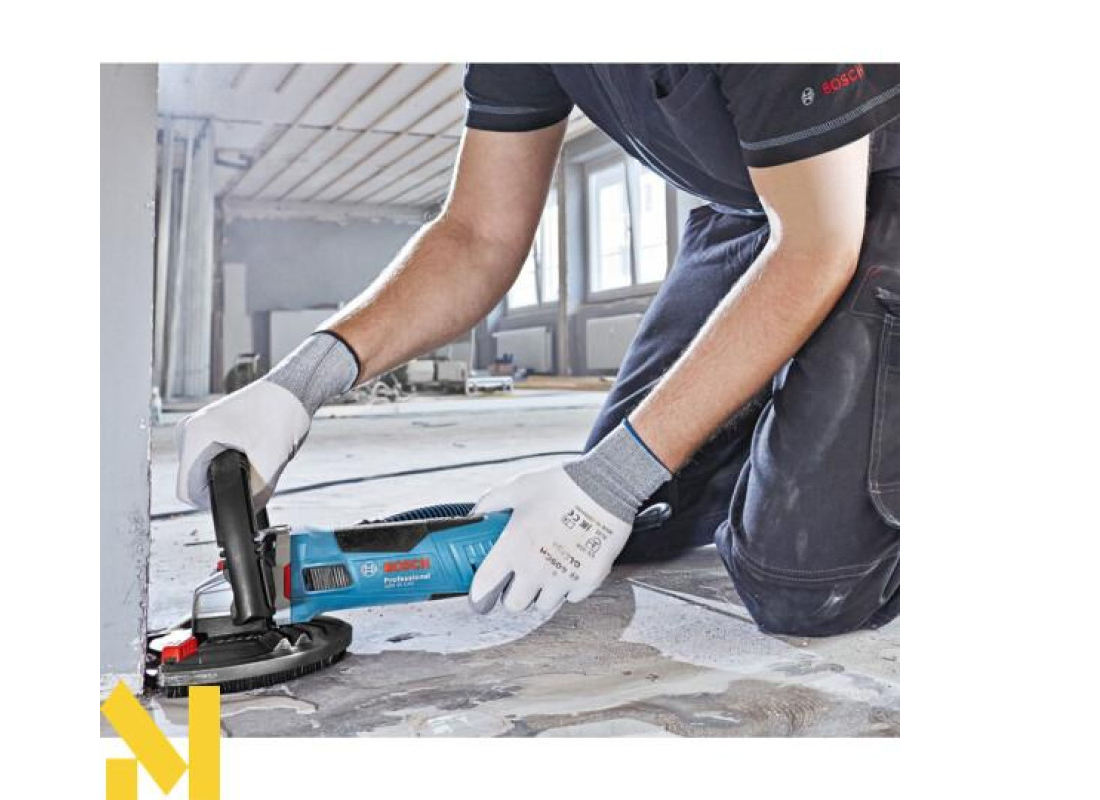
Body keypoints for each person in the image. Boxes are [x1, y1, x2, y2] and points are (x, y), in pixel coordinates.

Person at [176, 64, 900, 637]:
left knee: (805, 582)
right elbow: (477, 235)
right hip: (757, 206)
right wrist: (296, 384)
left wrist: (616, 476)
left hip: (884, 189)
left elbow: (816, 244)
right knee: (642, 512)